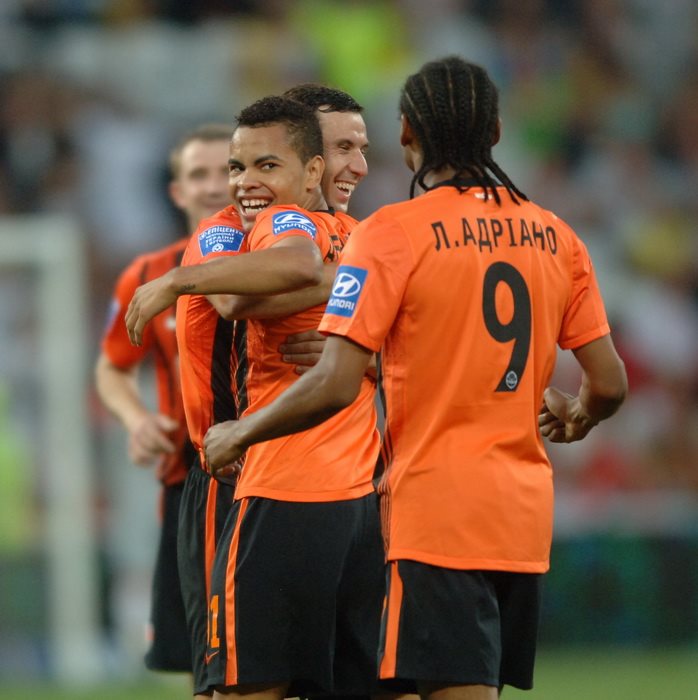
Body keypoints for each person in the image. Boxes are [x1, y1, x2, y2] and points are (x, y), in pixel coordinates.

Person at [202, 56, 629, 699]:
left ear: (406, 134)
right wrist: (578, 413)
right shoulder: (556, 235)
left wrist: (241, 432)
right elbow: (610, 383)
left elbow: (334, 383)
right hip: (522, 517)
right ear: (496, 133)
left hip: (433, 512)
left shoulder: (392, 232)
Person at [125, 92, 378, 699]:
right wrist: (351, 292)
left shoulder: (355, 234)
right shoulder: (225, 231)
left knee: (261, 677)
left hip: (292, 474)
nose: (356, 165)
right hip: (229, 474)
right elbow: (234, 299)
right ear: (313, 158)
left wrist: (364, 352)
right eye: (342, 147)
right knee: (229, 675)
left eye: (359, 149)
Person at [94, 123, 232, 677]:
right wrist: (136, 420)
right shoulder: (149, 276)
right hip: (190, 479)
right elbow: (112, 366)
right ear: (177, 190)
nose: (215, 185)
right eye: (199, 174)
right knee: (203, 657)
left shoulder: (288, 259)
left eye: (227, 170)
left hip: (282, 474)